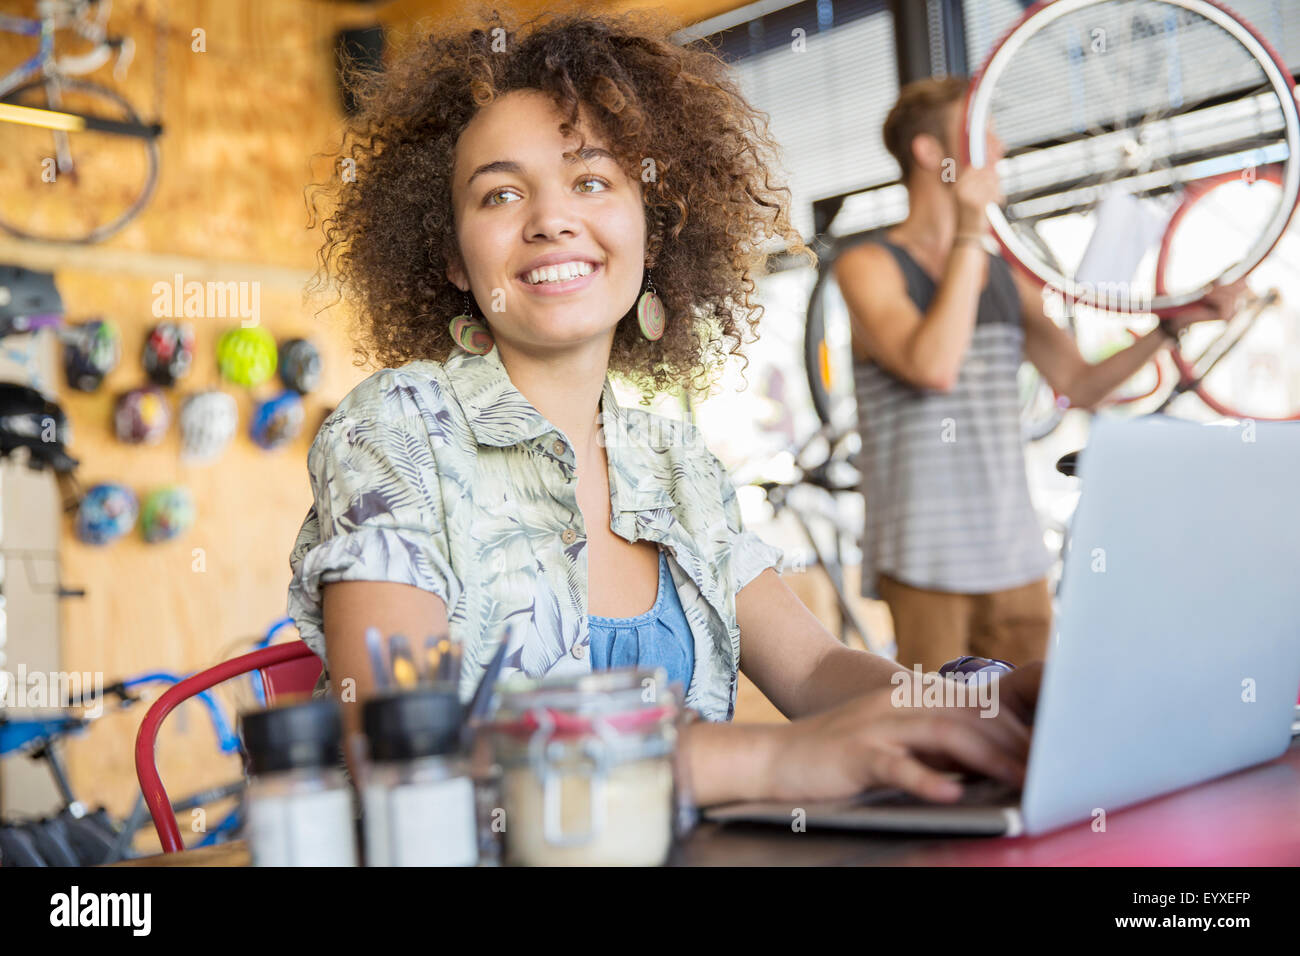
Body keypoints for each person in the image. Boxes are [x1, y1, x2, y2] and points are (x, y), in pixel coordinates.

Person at [288, 9, 1038, 808]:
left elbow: (816, 670)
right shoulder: (393, 430)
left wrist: (979, 702)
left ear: (651, 234)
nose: (550, 219)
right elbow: (402, 737)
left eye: (591, 181)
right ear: (453, 260)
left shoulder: (676, 461)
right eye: (500, 193)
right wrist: (770, 764)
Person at [837, 76, 1248, 674]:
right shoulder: (868, 265)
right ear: (929, 154)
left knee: (1032, 732)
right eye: (980, 133)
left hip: (1017, 557)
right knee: (948, 735)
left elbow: (1080, 384)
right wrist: (972, 229)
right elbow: (933, 367)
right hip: (923, 560)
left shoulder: (1006, 276)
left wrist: (1170, 327)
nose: (998, 148)